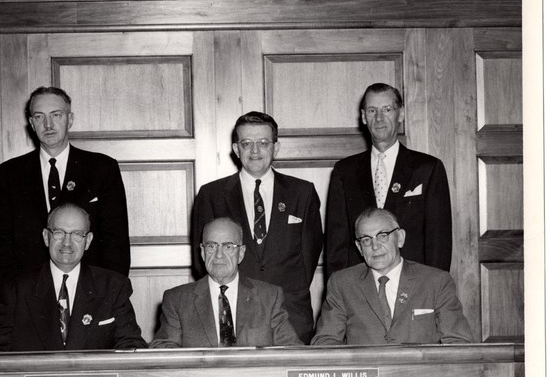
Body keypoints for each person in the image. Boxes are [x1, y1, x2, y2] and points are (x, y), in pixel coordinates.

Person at [190, 112, 322, 343]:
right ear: (235, 148)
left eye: (263, 143)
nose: (254, 151)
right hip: (232, 312)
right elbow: (203, 259)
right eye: (246, 143)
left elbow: (309, 258)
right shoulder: (211, 195)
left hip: (290, 314)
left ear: (276, 147)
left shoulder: (303, 192)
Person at [0, 86, 130, 288]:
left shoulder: (102, 169)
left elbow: (116, 242)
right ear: (31, 124)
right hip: (28, 294)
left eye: (56, 115)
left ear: (70, 119)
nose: (48, 124)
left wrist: (110, 294)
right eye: (39, 116)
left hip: (90, 293)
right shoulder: (9, 174)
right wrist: (9, 296)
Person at [0, 203, 145, 352]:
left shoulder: (112, 286)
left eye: (77, 234)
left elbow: (131, 345)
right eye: (59, 233)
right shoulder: (16, 288)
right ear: (46, 237)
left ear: (89, 241)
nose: (67, 243)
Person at [325, 83, 452, 278]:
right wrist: (339, 296)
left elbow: (439, 242)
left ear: (400, 114)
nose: (379, 118)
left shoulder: (428, 168)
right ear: (363, 117)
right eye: (372, 110)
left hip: (413, 286)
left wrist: (433, 292)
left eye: (387, 109)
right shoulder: (344, 171)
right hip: (361, 290)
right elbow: (336, 244)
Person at [312, 207, 472, 345]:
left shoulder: (436, 282)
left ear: (400, 238)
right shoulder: (342, 283)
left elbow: (459, 344)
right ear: (359, 248)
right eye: (366, 240)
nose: (375, 246)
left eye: (383, 236)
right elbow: (326, 342)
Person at [151, 217, 302, 348]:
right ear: (203, 252)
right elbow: (164, 351)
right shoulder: (177, 300)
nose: (219, 255)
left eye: (228, 246)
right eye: (212, 246)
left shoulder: (269, 297)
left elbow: (290, 350)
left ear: (241, 253)